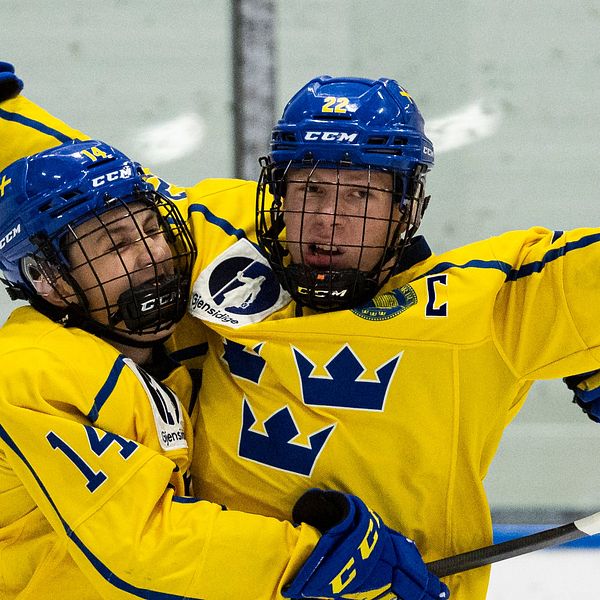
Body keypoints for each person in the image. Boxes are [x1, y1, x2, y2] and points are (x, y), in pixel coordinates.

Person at [3, 64, 600, 599]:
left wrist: (585, 339)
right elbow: (81, 198)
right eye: (310, 189)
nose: (327, 221)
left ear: (405, 208)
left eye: (361, 195)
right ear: (278, 192)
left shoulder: (486, 302)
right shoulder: (215, 235)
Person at [0, 136, 449, 600]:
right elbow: (142, 547)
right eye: (116, 245)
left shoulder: (170, 347)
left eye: (152, 230)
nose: (153, 254)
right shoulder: (29, 372)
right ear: (48, 279)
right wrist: (311, 558)